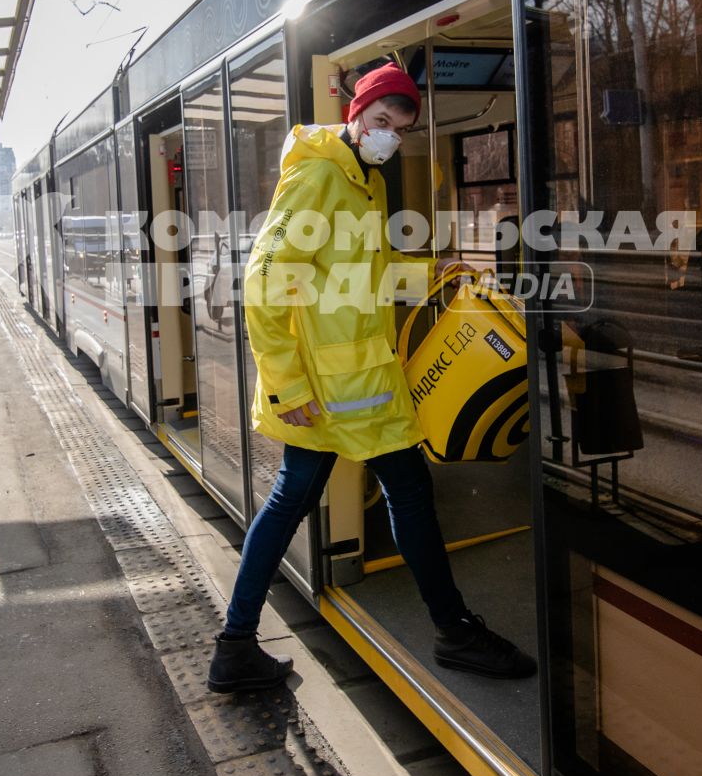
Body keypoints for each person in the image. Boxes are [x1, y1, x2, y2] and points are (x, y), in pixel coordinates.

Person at [207, 61, 537, 693]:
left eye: (401, 128)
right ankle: (454, 631)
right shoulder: (318, 175)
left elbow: (359, 273)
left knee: (302, 504)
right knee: (398, 496)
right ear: (355, 115)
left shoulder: (362, 180)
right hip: (330, 390)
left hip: (356, 384)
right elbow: (263, 283)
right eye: (381, 121)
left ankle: (236, 645)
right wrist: (287, 386)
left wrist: (432, 271)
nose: (390, 135)